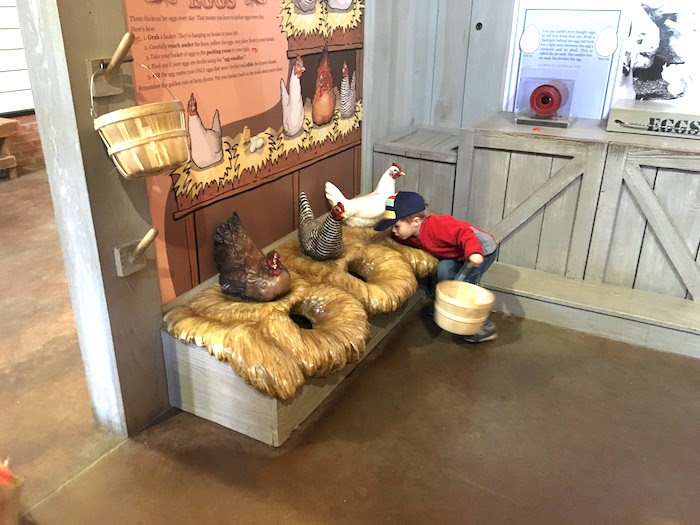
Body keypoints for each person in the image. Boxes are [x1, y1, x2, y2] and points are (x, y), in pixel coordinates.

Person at [374, 191, 499, 343]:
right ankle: (442, 307)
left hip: (481, 249)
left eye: (396, 226)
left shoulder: (438, 226)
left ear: (416, 221)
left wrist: (474, 253)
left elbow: (463, 233)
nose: (393, 231)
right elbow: (398, 238)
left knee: (463, 285)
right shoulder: (409, 234)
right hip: (457, 253)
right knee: (443, 271)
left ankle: (482, 327)